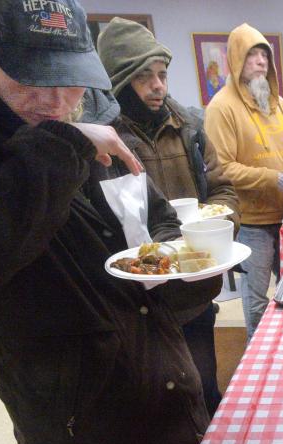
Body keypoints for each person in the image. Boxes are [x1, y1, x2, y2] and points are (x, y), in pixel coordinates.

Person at [0, 1, 221, 444]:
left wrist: (198, 268)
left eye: (66, 71)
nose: (53, 96)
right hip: (86, 435)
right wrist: (68, 138)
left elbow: (155, 231)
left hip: (168, 397)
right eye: (29, 71)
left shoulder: (99, 118)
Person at [97, 17, 240, 416]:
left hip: (193, 295)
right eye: (144, 77)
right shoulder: (101, 142)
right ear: (118, 81)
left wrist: (220, 231)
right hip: (135, 303)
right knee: (154, 406)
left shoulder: (190, 127)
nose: (158, 85)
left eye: (162, 75)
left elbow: (223, 188)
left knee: (206, 391)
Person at [205, 24, 283, 342]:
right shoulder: (221, 108)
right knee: (256, 302)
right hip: (251, 224)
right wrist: (269, 178)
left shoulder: (279, 104)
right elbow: (221, 169)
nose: (260, 61)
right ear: (237, 60)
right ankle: (257, 360)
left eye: (264, 54)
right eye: (252, 54)